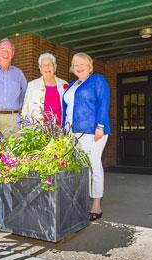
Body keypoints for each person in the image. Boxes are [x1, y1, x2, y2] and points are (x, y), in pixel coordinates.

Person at [61, 52, 111, 221]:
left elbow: (104, 102)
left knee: (93, 165)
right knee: (79, 167)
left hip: (93, 132)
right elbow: (66, 110)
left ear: (89, 67)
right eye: (75, 65)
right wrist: (63, 130)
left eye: (82, 64)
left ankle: (96, 204)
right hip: (72, 133)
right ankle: (81, 201)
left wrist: (100, 126)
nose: (79, 67)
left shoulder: (97, 80)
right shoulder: (72, 86)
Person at [22, 53, 67, 125]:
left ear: (55, 67)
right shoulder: (32, 85)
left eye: (49, 64)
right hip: (39, 129)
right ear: (40, 68)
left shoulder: (64, 84)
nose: (47, 67)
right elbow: (25, 109)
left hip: (60, 130)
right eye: (44, 65)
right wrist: (26, 128)